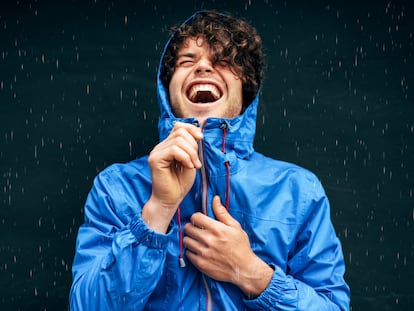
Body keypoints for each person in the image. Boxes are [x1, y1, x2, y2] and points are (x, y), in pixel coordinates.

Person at [70, 10, 350, 310]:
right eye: (186, 61)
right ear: (168, 90)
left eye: (223, 61)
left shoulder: (299, 190)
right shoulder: (115, 187)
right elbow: (87, 306)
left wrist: (252, 274)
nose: (203, 67)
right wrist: (157, 211)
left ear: (246, 92)